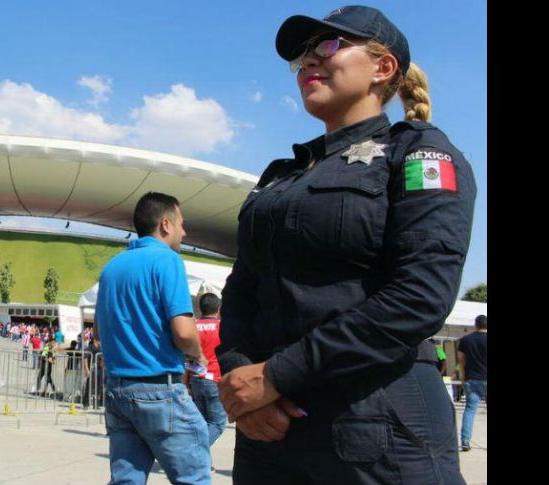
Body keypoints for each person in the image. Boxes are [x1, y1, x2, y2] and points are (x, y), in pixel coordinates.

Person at [216, 6, 475, 484]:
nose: (309, 61)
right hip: (269, 429)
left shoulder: (418, 152)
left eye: (329, 46)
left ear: (383, 68)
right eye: (302, 57)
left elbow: (420, 296)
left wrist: (275, 375)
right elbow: (242, 289)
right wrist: (241, 381)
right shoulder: (280, 177)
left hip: (378, 422)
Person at [96, 192, 210, 484]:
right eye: (181, 224)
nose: (184, 232)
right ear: (166, 224)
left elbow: (98, 330)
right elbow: (184, 331)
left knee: (126, 480)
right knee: (194, 477)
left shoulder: (112, 268)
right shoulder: (167, 260)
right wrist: (198, 355)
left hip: (118, 391)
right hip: (160, 391)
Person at [186, 292, 228, 473]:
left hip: (195, 378)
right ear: (218, 309)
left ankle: (203, 463)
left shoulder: (193, 327)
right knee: (218, 423)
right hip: (214, 378)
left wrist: (186, 381)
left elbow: (187, 355)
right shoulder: (223, 328)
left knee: (202, 423)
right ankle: (192, 453)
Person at [457, 314, 487, 452]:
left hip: (471, 378)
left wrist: (463, 376)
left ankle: (465, 441)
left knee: (469, 410)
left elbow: (461, 359)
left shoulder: (466, 339)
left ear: (476, 324)